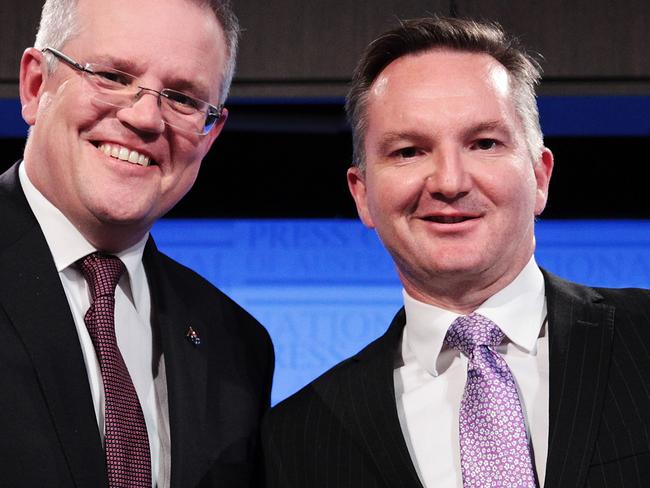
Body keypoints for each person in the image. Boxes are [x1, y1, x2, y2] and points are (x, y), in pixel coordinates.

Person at [262, 16, 650, 488]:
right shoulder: (297, 437)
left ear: (540, 176)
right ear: (362, 194)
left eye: (484, 143)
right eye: (408, 151)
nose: (449, 182)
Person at [0, 0, 274, 486]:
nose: (146, 118)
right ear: (36, 85)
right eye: (112, 75)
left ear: (209, 135)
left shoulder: (239, 347)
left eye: (184, 99)